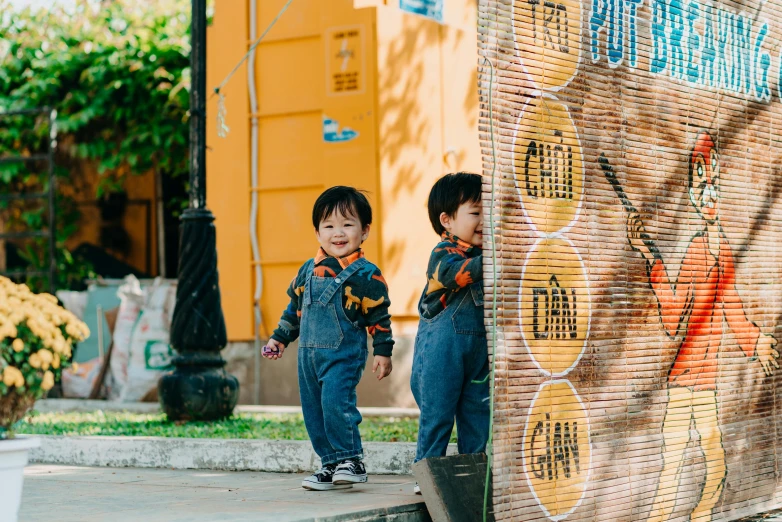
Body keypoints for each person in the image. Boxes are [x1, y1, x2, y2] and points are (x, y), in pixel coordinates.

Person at [611, 131, 779, 522]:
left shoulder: (721, 250)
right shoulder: (698, 250)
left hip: (703, 380)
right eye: (701, 186)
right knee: (676, 468)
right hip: (687, 379)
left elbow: (732, 308)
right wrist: (649, 256)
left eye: (714, 184)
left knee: (711, 467)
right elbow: (672, 317)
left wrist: (757, 343)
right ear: (690, 194)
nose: (709, 194)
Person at [263, 186, 394, 491]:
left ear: (364, 231)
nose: (338, 233)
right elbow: (293, 310)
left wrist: (383, 351)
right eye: (329, 226)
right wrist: (278, 339)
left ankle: (352, 460)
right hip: (307, 359)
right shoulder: (307, 270)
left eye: (348, 225)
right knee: (314, 410)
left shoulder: (367, 275)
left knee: (337, 403)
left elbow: (380, 317)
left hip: (343, 356)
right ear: (317, 232)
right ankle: (330, 463)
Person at [410, 172, 490, 494]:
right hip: (442, 349)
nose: (486, 220)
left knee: (477, 413)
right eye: (476, 212)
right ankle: (428, 473)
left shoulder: (487, 259)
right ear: (447, 220)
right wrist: (500, 257)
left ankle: (473, 473)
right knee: (438, 412)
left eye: (491, 211)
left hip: (478, 351)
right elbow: (459, 275)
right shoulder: (443, 255)